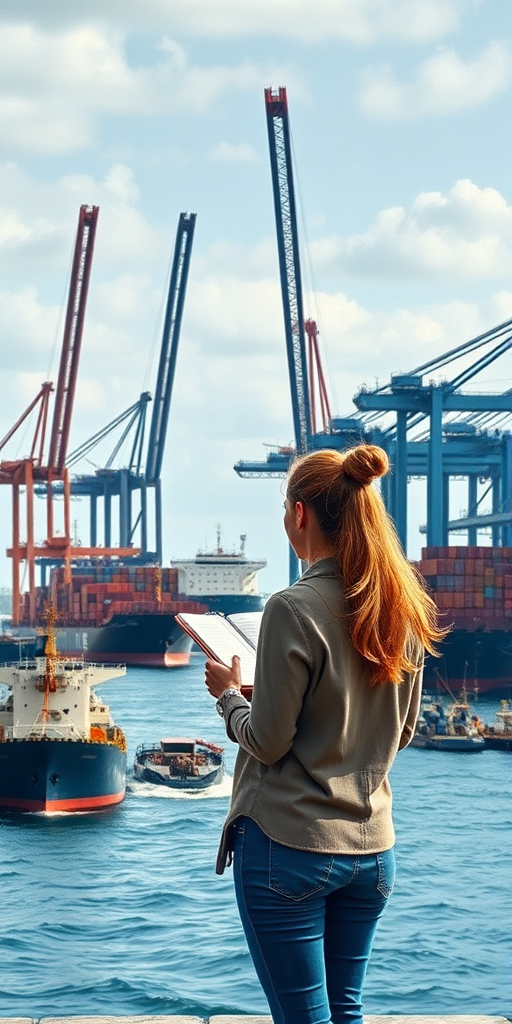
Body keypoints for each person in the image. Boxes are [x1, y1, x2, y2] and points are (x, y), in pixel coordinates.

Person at [205, 444, 446, 1024]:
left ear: (299, 514)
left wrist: (230, 699)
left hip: (290, 848)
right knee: (346, 1011)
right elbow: (402, 731)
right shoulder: (402, 607)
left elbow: (266, 743)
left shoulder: (292, 606)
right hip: (373, 852)